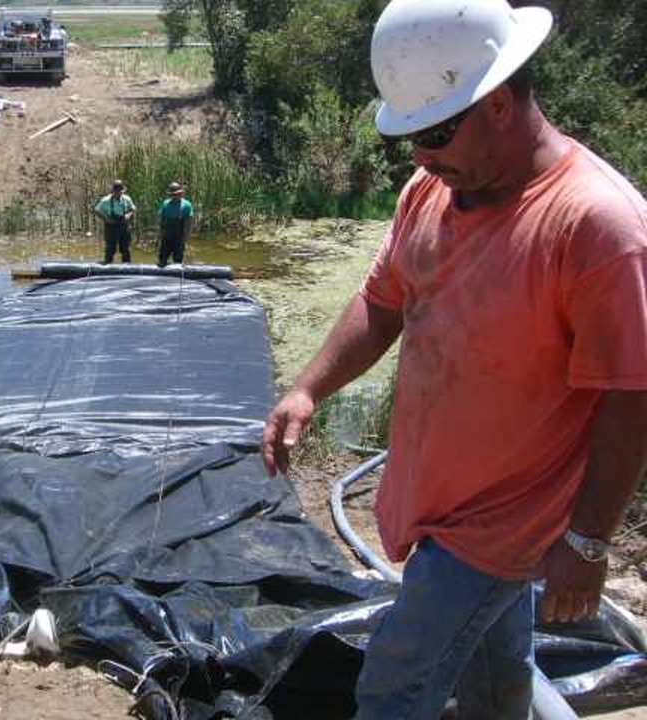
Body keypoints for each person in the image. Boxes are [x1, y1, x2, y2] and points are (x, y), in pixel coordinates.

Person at [261, 1, 647, 718]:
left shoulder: (596, 224)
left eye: (435, 133)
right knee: (498, 684)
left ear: (498, 104)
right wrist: (308, 390)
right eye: (412, 136)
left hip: (503, 522)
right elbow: (383, 302)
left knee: (393, 683)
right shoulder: (432, 191)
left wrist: (589, 543)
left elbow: (631, 394)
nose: (419, 157)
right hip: (436, 498)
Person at [93, 179, 136, 264]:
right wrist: (106, 219)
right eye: (116, 192)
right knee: (110, 248)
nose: (118, 193)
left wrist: (129, 215)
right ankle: (107, 266)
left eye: (120, 191)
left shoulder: (127, 199)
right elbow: (96, 210)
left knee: (125, 248)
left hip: (123, 226)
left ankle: (127, 267)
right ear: (113, 191)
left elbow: (133, 209)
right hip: (111, 227)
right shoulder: (105, 200)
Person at [157, 181, 193, 266]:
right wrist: (160, 233)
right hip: (167, 234)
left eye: (177, 194)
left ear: (181, 193)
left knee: (178, 258)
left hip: (179, 235)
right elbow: (162, 219)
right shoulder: (166, 203)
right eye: (173, 194)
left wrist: (186, 236)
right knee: (162, 257)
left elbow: (188, 222)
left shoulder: (186, 205)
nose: (175, 196)